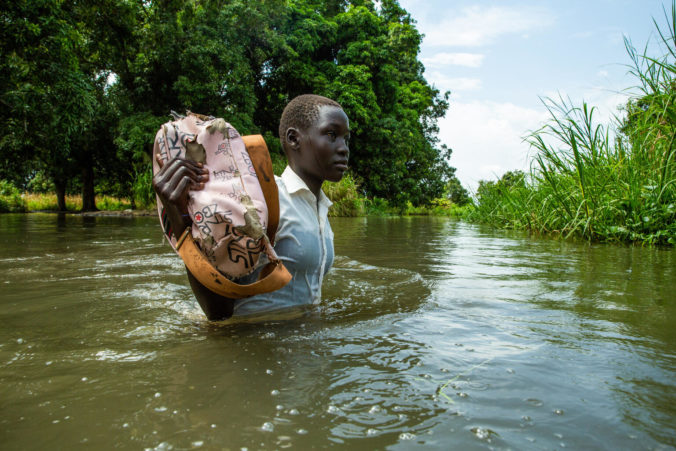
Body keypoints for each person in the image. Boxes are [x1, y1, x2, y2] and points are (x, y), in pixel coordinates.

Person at [152, 94, 350, 321]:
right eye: (332, 135)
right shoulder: (262, 199)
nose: (344, 148)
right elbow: (218, 312)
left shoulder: (319, 207)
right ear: (293, 139)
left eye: (346, 139)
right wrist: (179, 218)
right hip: (250, 344)